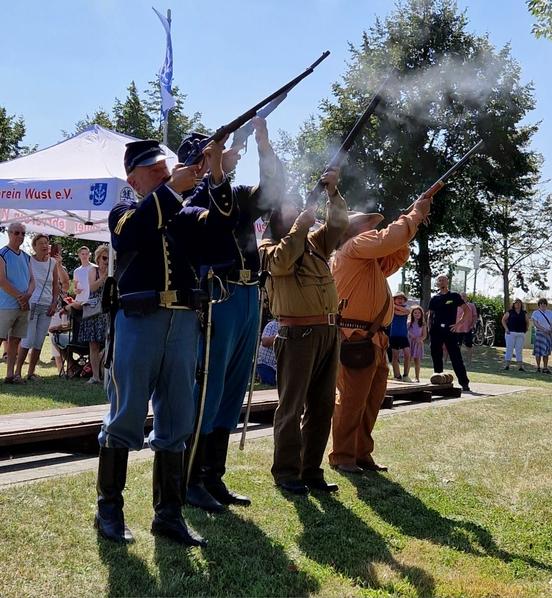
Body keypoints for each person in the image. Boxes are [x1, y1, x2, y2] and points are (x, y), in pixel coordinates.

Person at [95, 137, 235, 547]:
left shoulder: (184, 211)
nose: (164, 172)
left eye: (165, 167)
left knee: (177, 418)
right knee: (125, 415)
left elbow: (223, 230)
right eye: (154, 169)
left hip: (183, 323)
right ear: (133, 179)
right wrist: (173, 189)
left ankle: (168, 515)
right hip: (139, 321)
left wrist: (217, 174)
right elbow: (132, 234)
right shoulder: (123, 211)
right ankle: (109, 510)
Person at [181, 117, 285, 512]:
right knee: (209, 390)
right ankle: (190, 478)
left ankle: (213, 476)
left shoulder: (232, 190)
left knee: (232, 390)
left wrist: (263, 144)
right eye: (217, 150)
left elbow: (270, 193)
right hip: (218, 294)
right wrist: (216, 167)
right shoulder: (196, 194)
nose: (229, 154)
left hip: (246, 294)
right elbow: (219, 209)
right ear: (202, 158)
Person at [329, 192, 433, 475]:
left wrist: (414, 219)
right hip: (356, 338)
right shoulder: (354, 247)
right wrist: (414, 216)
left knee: (370, 401)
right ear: (353, 231)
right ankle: (342, 455)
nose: (372, 227)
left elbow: (397, 251)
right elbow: (390, 239)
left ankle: (361, 454)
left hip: (373, 339)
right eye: (367, 223)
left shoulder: (367, 259)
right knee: (351, 401)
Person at [259, 167, 348, 495]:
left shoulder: (312, 241)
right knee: (292, 406)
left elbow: (339, 224)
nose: (297, 209)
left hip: (327, 333)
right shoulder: (268, 246)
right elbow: (283, 262)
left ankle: (311, 470)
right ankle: (286, 471)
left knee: (323, 405)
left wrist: (333, 193)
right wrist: (301, 225)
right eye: (290, 207)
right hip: (297, 335)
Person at [14, 234, 59, 381]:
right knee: (28, 340)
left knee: (39, 341)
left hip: (47, 306)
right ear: (34, 246)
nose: (45, 246)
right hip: (31, 305)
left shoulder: (53, 263)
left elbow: (55, 286)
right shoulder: (28, 260)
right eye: (41, 243)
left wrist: (54, 303)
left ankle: (31, 373)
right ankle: (17, 372)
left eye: (46, 243)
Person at [0, 222, 35, 384]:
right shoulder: (2, 254)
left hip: (23, 305)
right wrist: (21, 297)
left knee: (15, 340)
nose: (20, 236)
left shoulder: (27, 256)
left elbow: (32, 281)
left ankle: (10, 375)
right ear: (9, 233)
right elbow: (2, 280)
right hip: (6, 304)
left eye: (22, 233)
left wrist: (27, 295)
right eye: (16, 233)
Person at [427, 275, 471, 392]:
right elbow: (430, 315)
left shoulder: (454, 296)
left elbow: (466, 310)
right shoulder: (434, 298)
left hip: (450, 330)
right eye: (439, 280)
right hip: (436, 330)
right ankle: (438, 381)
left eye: (443, 280)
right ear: (437, 283)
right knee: (436, 355)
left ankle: (464, 383)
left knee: (455, 356)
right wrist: (428, 328)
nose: (441, 282)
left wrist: (458, 324)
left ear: (447, 282)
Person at [78, 244, 110, 384]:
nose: (107, 261)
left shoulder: (114, 271)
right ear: (98, 259)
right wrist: (104, 277)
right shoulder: (93, 271)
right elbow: (92, 287)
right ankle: (95, 376)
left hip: (108, 312)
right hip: (95, 312)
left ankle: (108, 374)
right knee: (94, 345)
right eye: (104, 258)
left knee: (110, 342)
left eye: (109, 258)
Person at [501, 299, 529, 371]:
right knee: (509, 349)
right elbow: (503, 320)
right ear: (513, 304)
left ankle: (520, 366)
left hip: (520, 333)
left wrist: (526, 328)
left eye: (519, 303)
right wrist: (506, 329)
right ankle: (507, 365)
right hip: (511, 333)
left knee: (519, 350)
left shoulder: (524, 313)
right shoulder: (510, 312)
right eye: (516, 303)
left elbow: (527, 321)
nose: (518, 304)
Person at [389, 292, 411, 382]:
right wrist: (392, 306)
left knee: (407, 354)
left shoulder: (406, 308)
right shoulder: (390, 309)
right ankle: (397, 376)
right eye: (398, 298)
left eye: (402, 299)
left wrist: (393, 305)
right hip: (393, 335)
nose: (400, 300)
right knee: (395, 356)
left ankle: (406, 375)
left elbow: (406, 312)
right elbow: (396, 313)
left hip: (403, 335)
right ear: (394, 299)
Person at [454, 292, 478, 364]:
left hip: (468, 328)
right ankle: (457, 361)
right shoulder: (456, 305)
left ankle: (469, 361)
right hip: (458, 329)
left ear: (467, 297)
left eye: (464, 296)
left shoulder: (471, 305)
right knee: (458, 345)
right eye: (461, 296)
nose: (463, 297)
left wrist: (472, 325)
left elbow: (475, 316)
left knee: (469, 345)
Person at [531, 298, 552, 373]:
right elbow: (535, 323)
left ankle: (545, 368)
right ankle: (538, 367)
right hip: (540, 334)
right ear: (539, 305)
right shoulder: (535, 313)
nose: (543, 305)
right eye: (541, 303)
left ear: (546, 305)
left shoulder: (550, 312)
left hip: (548, 334)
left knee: (546, 352)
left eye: (544, 303)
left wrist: (550, 330)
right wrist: (544, 329)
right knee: (538, 352)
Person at [256, 318, 280, 386]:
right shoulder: (271, 325)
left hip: (278, 366)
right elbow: (265, 342)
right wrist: (279, 337)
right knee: (272, 382)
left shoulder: (291, 327)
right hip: (265, 364)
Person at [408, 305, 427, 382]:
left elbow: (424, 335)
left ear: (421, 314)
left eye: (419, 313)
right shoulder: (409, 323)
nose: (417, 314)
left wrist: (420, 339)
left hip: (418, 343)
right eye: (415, 313)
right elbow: (407, 331)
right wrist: (411, 335)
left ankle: (417, 377)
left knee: (417, 361)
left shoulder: (423, 324)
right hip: (410, 343)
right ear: (412, 314)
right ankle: (406, 375)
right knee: (409, 359)